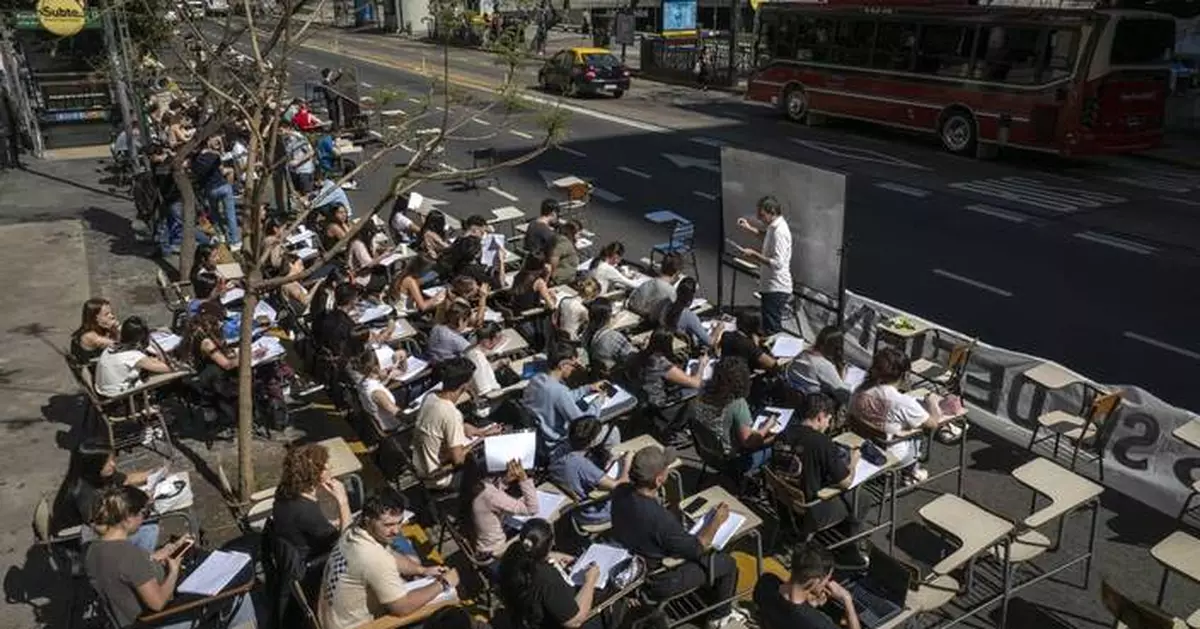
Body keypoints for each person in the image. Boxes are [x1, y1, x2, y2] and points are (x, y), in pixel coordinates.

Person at [610, 447, 746, 629]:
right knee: (727, 563)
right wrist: (716, 521)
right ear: (659, 480)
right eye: (666, 467)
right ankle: (720, 616)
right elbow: (697, 548)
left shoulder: (621, 491)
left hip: (628, 563)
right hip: (657, 582)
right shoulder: (660, 519)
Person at [319, 489, 461, 629]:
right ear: (368, 520)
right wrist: (443, 583)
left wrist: (422, 570)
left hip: (332, 618)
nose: (396, 530)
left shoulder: (355, 530)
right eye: (388, 525)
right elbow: (402, 607)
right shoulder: (374, 558)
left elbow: (390, 554)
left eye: (399, 522)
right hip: (358, 625)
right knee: (449, 617)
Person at [84, 486, 208, 629]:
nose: (145, 518)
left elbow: (123, 572)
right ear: (129, 518)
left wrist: (156, 555)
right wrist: (173, 569)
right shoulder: (130, 555)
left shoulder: (92, 549)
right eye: (144, 513)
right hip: (154, 622)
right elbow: (158, 603)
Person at [771, 394, 866, 566]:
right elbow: (846, 482)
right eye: (828, 420)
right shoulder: (821, 442)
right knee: (862, 498)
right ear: (820, 416)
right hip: (810, 512)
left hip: (783, 505)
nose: (829, 425)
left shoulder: (782, 435)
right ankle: (847, 550)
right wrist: (853, 461)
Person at [850, 347, 942, 483]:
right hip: (890, 453)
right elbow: (933, 424)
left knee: (899, 425)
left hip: (860, 444)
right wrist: (932, 402)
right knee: (916, 430)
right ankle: (912, 473)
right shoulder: (903, 402)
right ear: (904, 375)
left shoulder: (859, 388)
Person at [497, 518, 603, 629]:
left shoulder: (513, 554)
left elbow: (533, 554)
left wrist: (555, 557)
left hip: (522, 617)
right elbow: (574, 621)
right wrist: (590, 581)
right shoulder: (547, 579)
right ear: (551, 543)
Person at [412, 358, 500, 489]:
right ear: (464, 386)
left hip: (421, 464)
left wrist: (465, 428)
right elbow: (458, 460)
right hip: (441, 477)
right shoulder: (451, 414)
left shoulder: (431, 396)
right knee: (495, 457)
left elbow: (439, 424)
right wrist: (483, 438)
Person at [522, 344, 620, 457]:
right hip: (558, 445)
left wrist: (588, 388)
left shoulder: (537, 379)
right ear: (562, 364)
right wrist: (598, 402)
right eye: (574, 365)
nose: (575, 370)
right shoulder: (558, 390)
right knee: (613, 432)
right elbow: (584, 424)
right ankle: (605, 464)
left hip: (541, 439)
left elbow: (562, 398)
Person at [64, 441, 163, 550]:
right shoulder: (85, 494)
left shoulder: (101, 474)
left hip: (107, 522)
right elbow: (100, 528)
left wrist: (154, 474)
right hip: (89, 538)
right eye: (108, 462)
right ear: (94, 465)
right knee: (150, 530)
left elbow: (126, 479)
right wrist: (133, 516)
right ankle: (140, 562)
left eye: (112, 459)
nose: (113, 464)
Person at [273, 443, 353, 564]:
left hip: (293, 546)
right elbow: (347, 542)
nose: (330, 466)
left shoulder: (284, 490)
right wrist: (343, 501)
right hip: (315, 563)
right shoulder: (308, 512)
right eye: (325, 467)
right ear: (316, 475)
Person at [693, 357, 776, 472]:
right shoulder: (737, 404)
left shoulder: (702, 391)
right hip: (731, 462)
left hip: (706, 452)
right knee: (775, 444)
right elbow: (749, 442)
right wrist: (767, 426)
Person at [754, 542, 860, 629]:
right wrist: (847, 600)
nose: (828, 583)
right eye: (827, 579)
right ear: (814, 581)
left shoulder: (766, 582)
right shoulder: (819, 624)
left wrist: (811, 605)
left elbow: (787, 611)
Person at [547, 418, 632, 526]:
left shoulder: (558, 451)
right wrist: (627, 464)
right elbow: (620, 486)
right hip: (592, 512)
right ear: (592, 441)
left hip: (574, 503)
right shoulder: (581, 465)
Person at [729, 196, 793, 335]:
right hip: (770, 285)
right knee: (768, 323)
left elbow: (778, 263)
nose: (759, 218)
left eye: (762, 215)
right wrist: (749, 228)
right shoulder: (773, 227)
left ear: (772, 212)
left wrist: (754, 254)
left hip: (776, 286)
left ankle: (774, 353)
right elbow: (766, 236)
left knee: (772, 328)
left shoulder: (780, 232)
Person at [462, 458, 538, 557]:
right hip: (497, 550)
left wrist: (505, 481)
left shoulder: (473, 487)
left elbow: (492, 492)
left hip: (483, 545)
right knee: (537, 533)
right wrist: (523, 478)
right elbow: (532, 508)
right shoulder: (490, 495)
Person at [94, 317, 173, 397]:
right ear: (139, 340)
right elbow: (168, 367)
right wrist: (154, 344)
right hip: (120, 395)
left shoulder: (111, 347)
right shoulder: (133, 356)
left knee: (150, 365)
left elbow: (140, 361)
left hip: (104, 390)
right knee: (168, 375)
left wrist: (151, 361)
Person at [191, 135, 241, 250]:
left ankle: (221, 235)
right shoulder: (214, 156)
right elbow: (222, 170)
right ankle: (234, 241)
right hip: (223, 186)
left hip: (210, 189)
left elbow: (195, 174)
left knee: (215, 213)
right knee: (230, 214)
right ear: (207, 143)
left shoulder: (195, 160)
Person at [787, 326, 852, 404]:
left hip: (795, 396)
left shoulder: (803, 353)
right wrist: (843, 375)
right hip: (813, 403)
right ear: (836, 348)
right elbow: (844, 395)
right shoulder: (824, 365)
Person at [657, 277, 720, 349]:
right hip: (686, 347)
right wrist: (718, 328)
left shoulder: (666, 304)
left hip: (666, 341)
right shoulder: (689, 317)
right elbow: (710, 342)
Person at [583, 298, 636, 374]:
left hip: (596, 370)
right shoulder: (613, 337)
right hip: (613, 373)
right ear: (608, 316)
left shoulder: (586, 332)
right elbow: (631, 357)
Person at [625, 253, 681, 317]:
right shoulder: (671, 292)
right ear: (677, 272)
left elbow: (632, 300)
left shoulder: (648, 283)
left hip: (632, 313)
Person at [71, 297, 120, 364]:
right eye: (106, 314)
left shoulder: (98, 329)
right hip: (94, 370)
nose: (112, 316)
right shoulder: (90, 336)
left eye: (111, 313)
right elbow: (118, 346)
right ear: (95, 318)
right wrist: (115, 329)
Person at [464, 322, 506, 399]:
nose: (500, 341)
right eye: (498, 338)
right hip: (492, 403)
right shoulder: (477, 358)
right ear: (487, 340)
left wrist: (497, 365)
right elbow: (485, 393)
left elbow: (482, 370)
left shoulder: (470, 350)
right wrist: (507, 392)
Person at [556, 276, 599, 342]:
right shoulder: (583, 310)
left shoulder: (564, 300)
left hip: (559, 336)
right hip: (572, 340)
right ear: (591, 295)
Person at [547, 220, 583, 285]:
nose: (580, 236)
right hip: (558, 280)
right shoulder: (564, 242)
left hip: (565, 279)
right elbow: (554, 257)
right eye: (579, 234)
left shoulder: (569, 242)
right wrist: (553, 274)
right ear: (572, 232)